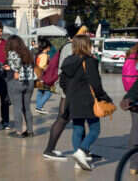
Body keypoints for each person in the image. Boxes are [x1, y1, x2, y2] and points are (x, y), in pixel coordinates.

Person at [59, 33, 111, 171]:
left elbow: (62, 81)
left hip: (72, 100)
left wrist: (71, 91)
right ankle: (81, 151)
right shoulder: (90, 61)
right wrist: (104, 97)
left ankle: (78, 161)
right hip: (88, 100)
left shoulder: (68, 61)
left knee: (78, 128)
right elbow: (96, 84)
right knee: (95, 129)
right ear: (87, 45)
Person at [42, 26, 82, 162]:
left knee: (75, 118)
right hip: (69, 89)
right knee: (63, 118)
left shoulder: (69, 46)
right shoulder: (70, 47)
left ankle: (82, 150)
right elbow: (68, 69)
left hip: (69, 88)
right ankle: (49, 149)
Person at [5, 35, 36, 138]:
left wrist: (9, 68)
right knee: (27, 107)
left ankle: (19, 131)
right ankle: (30, 130)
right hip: (30, 81)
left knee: (17, 107)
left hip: (17, 82)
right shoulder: (28, 52)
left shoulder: (12, 53)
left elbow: (16, 66)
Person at [120, 42, 138, 176]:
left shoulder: (130, 54)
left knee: (135, 129)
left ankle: (133, 165)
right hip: (134, 96)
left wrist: (128, 97)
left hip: (132, 98)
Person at [34, 40, 56, 113]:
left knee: (40, 92)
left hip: (39, 76)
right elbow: (42, 66)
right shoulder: (44, 55)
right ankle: (39, 106)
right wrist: (49, 66)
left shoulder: (39, 55)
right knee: (49, 92)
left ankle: (38, 107)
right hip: (44, 76)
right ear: (47, 47)